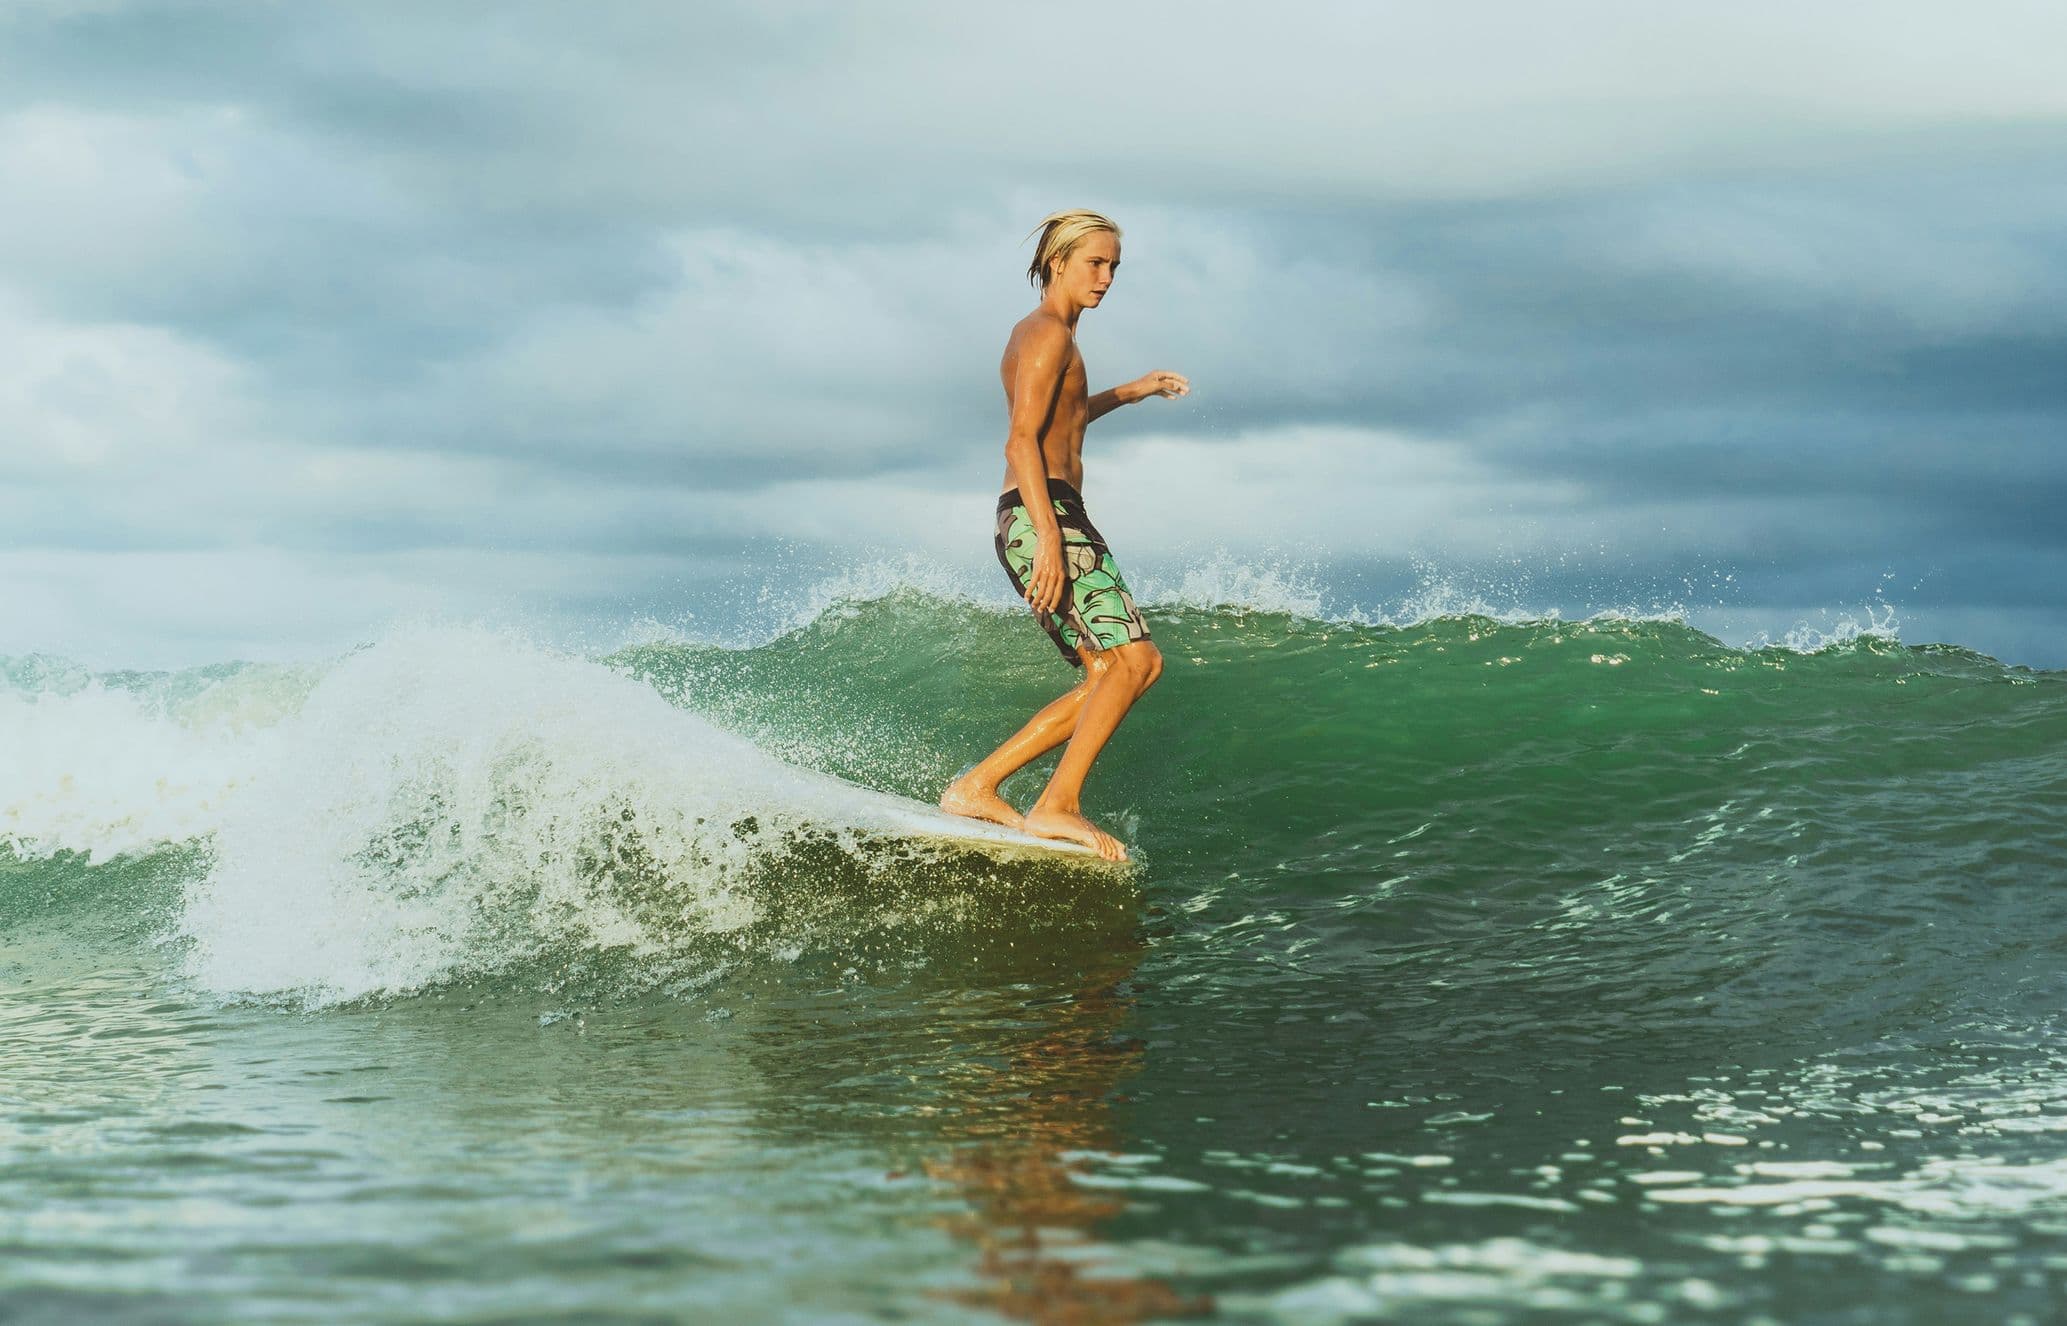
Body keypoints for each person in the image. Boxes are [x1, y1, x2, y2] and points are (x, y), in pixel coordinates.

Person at [939, 209, 1189, 862]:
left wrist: (1129, 392)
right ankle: (1055, 805)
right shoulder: (1046, 332)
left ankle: (976, 786)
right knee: (1138, 661)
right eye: (1094, 264)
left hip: (1039, 512)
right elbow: (1021, 438)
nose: (1105, 278)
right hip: (1043, 513)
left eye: (1113, 267)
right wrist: (1049, 539)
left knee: (1108, 672)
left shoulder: (1053, 336)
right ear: (1058, 263)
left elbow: (1066, 418)